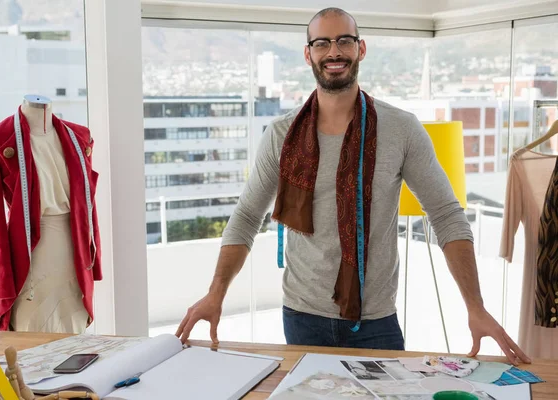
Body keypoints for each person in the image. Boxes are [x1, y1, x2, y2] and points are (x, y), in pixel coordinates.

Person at [176, 7, 530, 366]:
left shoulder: (402, 130)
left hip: (375, 322)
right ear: (308, 53)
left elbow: (446, 214)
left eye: (344, 40)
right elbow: (248, 216)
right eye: (322, 43)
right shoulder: (280, 135)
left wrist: (476, 307)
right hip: (301, 318)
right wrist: (215, 294)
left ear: (361, 49)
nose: (334, 52)